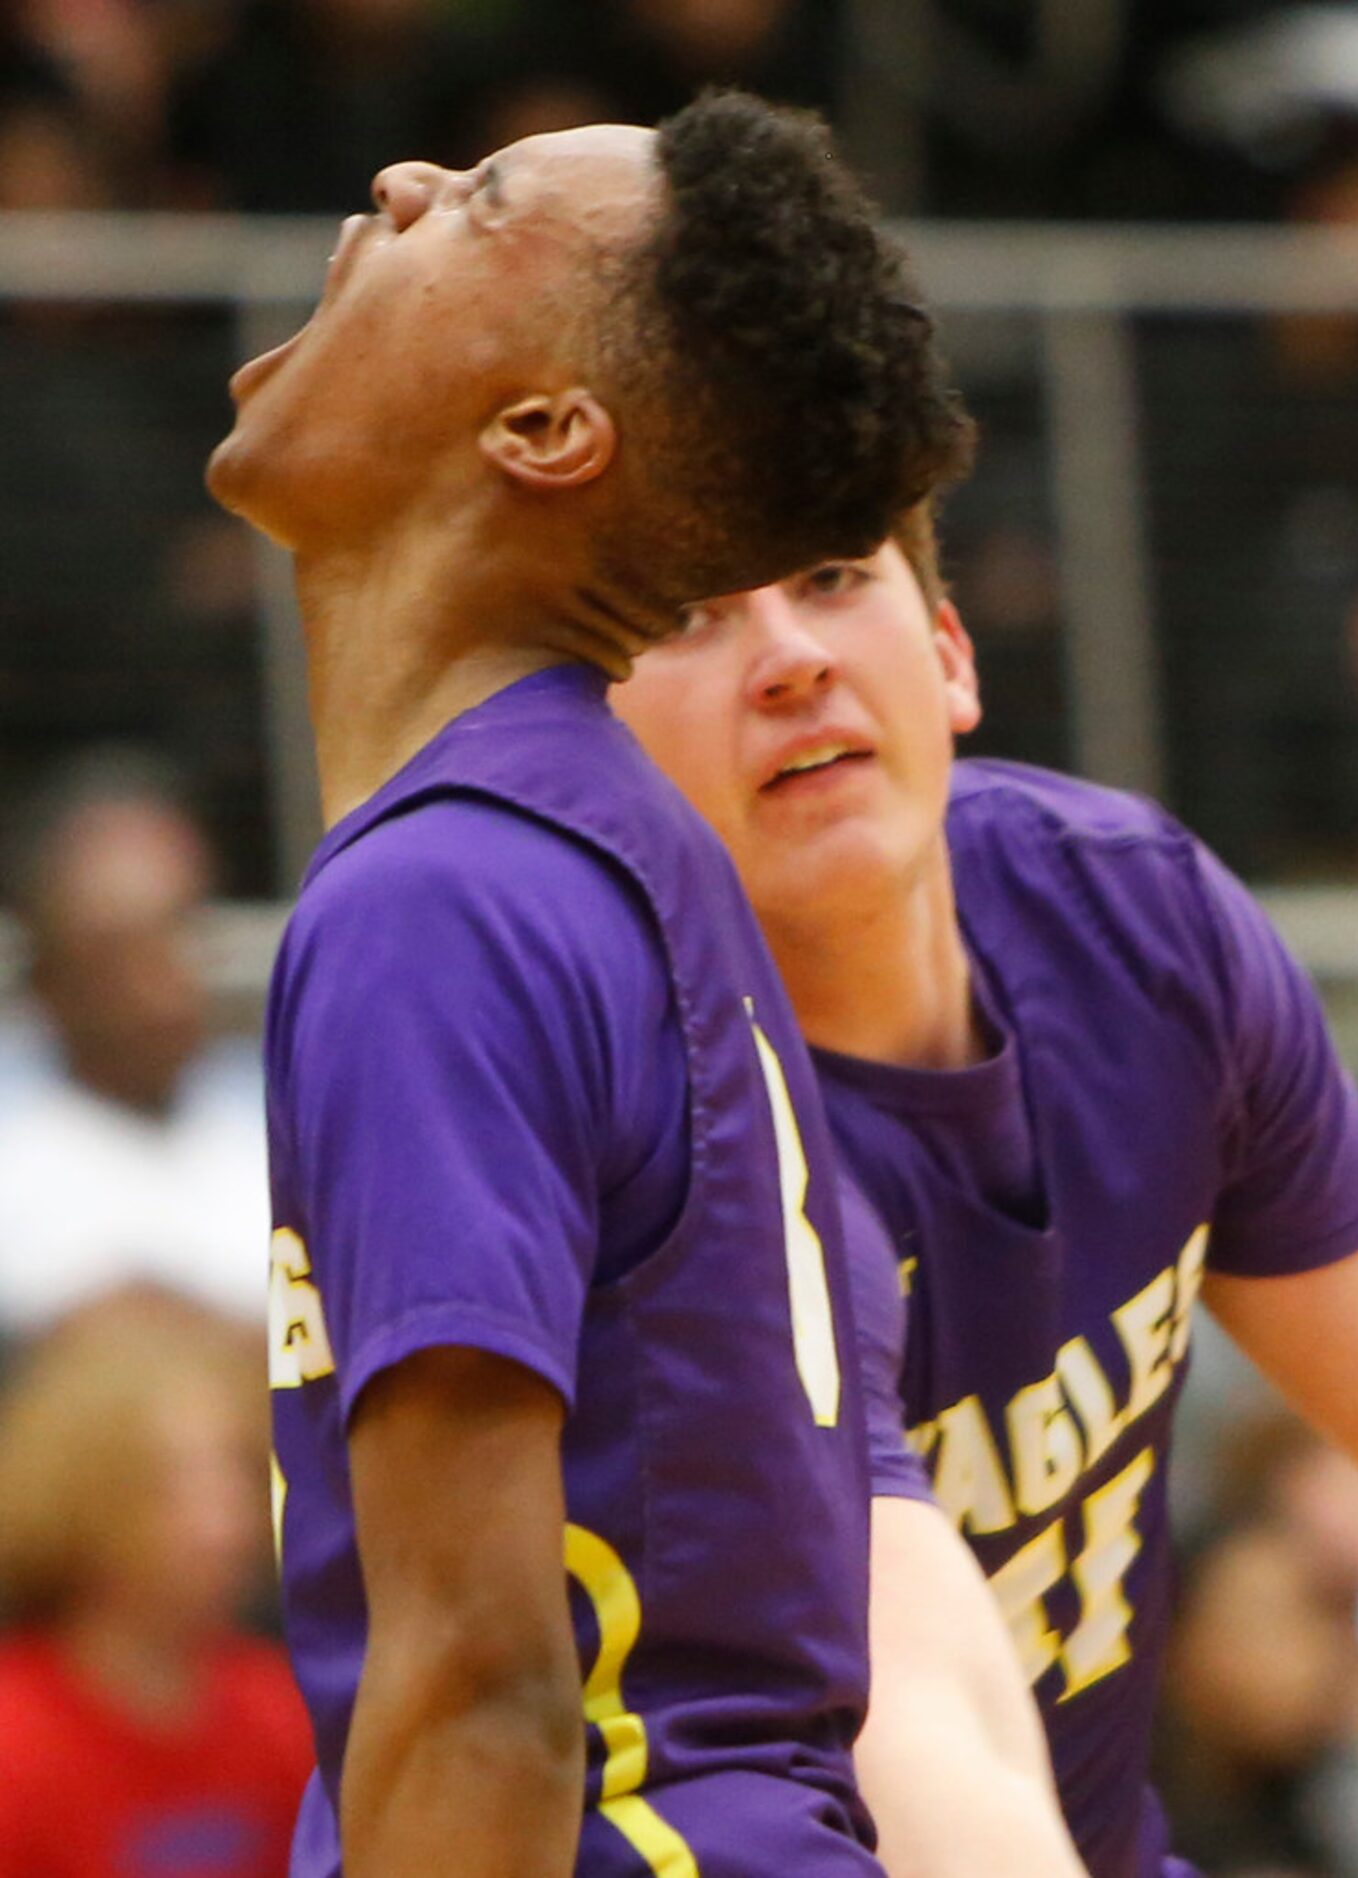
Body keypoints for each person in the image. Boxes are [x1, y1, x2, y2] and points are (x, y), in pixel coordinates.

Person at [207, 89, 1049, 1878]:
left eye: (482, 198)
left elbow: (486, 1689)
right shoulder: (624, 875)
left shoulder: (452, 900)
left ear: (541, 427)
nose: (400, 177)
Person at [613, 511, 1358, 1878]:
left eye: (834, 576)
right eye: (690, 611)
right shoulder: (656, 1113)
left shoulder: (1134, 917)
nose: (789, 657)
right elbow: (912, 1717)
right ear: (599, 760)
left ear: (950, 654)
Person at [0, 1297, 313, 1876]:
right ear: (81, 1495)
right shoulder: (16, 1738)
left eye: (236, 1474)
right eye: (175, 1487)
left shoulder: (281, 1713)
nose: (226, 1523)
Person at [0, 751, 268, 1341]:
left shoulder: (273, 1122)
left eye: (180, 933)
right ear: (48, 974)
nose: (161, 989)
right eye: (117, 956)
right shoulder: (16, 1143)